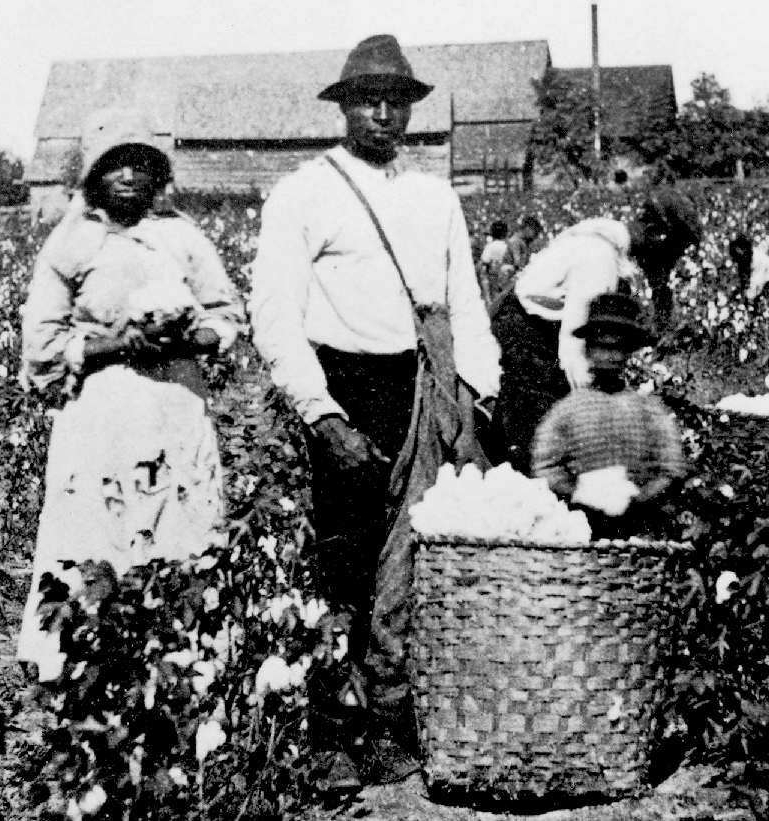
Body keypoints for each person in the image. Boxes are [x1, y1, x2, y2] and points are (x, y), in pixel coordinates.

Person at [248, 34, 499, 784]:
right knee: (343, 563)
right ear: (344, 108)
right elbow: (274, 315)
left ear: (412, 109)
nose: (384, 114)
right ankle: (330, 731)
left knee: (408, 566)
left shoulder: (434, 197)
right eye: (368, 100)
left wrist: (478, 396)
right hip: (343, 386)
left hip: (419, 386)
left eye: (397, 101)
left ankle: (389, 719)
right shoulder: (304, 193)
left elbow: (467, 305)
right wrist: (322, 415)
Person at [17, 107, 244, 680]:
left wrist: (196, 335)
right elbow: (42, 348)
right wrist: (119, 343)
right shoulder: (70, 244)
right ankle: (85, 661)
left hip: (175, 402)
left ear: (157, 175)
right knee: (100, 522)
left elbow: (227, 312)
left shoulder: (183, 237)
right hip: (103, 411)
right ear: (93, 176)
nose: (128, 178)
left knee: (177, 520)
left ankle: (178, 660)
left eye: (141, 166)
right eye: (114, 166)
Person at [493, 191, 700, 473]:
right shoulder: (599, 259)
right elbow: (574, 354)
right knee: (541, 459)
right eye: (670, 254)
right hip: (529, 344)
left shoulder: (603, 243)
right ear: (656, 235)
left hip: (533, 335)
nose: (667, 265)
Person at [531, 293, 686, 539]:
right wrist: (577, 495)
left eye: (618, 348)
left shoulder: (649, 411)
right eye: (602, 347)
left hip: (639, 526)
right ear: (588, 350)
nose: (610, 356)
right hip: (580, 526)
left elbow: (671, 467)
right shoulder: (567, 412)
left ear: (628, 353)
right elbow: (545, 466)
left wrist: (640, 499)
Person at [732, 233, 769, 301]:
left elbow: (756, 283)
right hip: (767, 281)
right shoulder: (752, 256)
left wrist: (749, 291)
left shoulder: (758, 260)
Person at [477, 220, 510, 305]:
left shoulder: (490, 246)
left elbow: (483, 263)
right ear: (506, 234)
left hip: (492, 278)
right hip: (505, 279)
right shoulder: (508, 247)